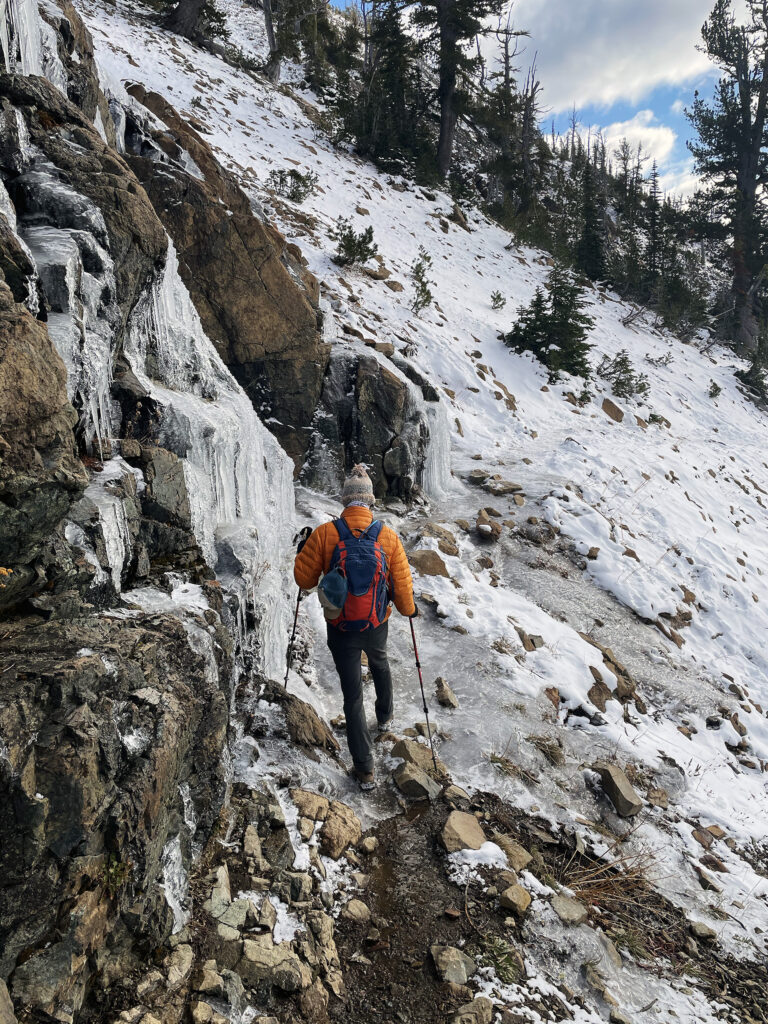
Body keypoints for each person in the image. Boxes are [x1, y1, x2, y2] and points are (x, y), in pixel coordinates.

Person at [294, 465, 417, 789]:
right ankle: (386, 716)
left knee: (352, 696)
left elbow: (303, 580)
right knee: (380, 663)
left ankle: (365, 771)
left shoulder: (325, 533)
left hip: (341, 626)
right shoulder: (388, 536)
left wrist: (302, 553)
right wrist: (409, 610)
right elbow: (402, 586)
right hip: (376, 622)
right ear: (369, 502)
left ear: (345, 500)